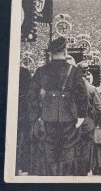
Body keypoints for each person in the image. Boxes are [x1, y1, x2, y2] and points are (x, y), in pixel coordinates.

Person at [27, 37, 88, 176]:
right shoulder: (74, 71)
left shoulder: (41, 71)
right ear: (65, 51)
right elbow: (82, 95)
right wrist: (81, 115)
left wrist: (36, 117)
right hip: (69, 115)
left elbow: (32, 96)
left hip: (46, 115)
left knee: (49, 149)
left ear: (51, 53)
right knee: (68, 149)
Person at [16, 66, 31, 175]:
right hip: (24, 112)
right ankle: (24, 166)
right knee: (25, 139)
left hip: (20, 111)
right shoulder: (24, 71)